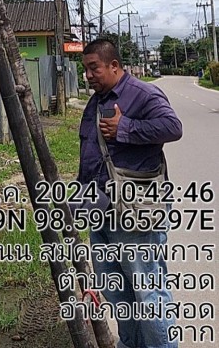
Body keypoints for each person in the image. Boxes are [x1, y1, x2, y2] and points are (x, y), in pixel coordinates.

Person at [78, 38, 183, 348]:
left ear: (114, 65)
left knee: (147, 290)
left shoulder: (142, 93)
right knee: (118, 291)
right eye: (85, 69)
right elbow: (91, 156)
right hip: (101, 211)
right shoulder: (97, 100)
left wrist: (125, 129)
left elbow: (172, 127)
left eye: (94, 67)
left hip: (136, 213)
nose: (89, 75)